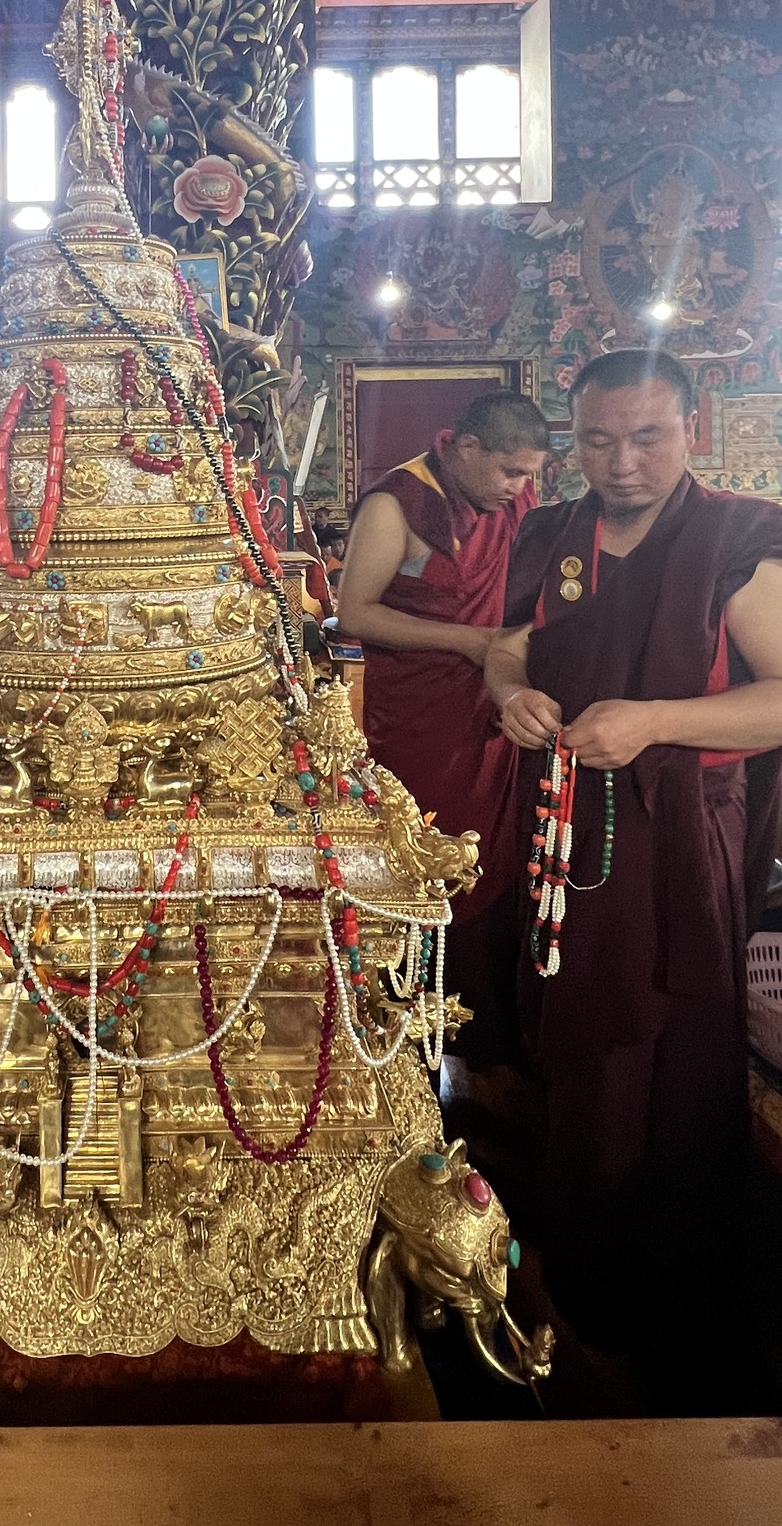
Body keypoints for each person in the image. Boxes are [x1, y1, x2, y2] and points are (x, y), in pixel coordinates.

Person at [484, 349, 782, 1376]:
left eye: (647, 437)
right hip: (565, 823)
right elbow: (508, 644)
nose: (621, 461)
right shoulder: (552, 533)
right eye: (596, 440)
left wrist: (655, 721)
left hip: (676, 837)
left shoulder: (738, 541)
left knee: (664, 1057)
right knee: (573, 1041)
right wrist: (511, 692)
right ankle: (578, 1264)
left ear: (692, 429)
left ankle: (661, 1298)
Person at [336, 392, 549, 1066]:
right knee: (424, 856)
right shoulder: (397, 503)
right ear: (466, 447)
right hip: (421, 723)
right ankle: (408, 1036)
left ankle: (490, 1036)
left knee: (501, 853)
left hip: (498, 708)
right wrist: (469, 641)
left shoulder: (513, 502)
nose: (520, 487)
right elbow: (355, 614)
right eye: (511, 471)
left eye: (529, 475)